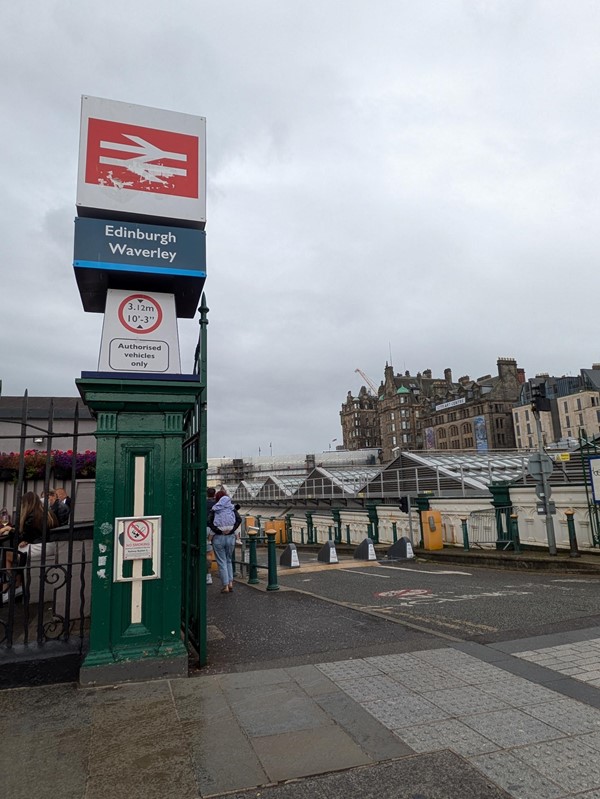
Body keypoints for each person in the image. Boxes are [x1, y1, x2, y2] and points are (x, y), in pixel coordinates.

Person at [0, 491, 58, 601]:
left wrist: (8, 529)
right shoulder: (48, 513)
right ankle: (18, 585)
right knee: (16, 552)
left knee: (8, 555)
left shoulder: (32, 516)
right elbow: (33, 533)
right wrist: (25, 539)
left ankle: (9, 588)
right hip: (51, 546)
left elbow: (21, 534)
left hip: (40, 547)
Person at [208, 491, 241, 593]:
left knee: (221, 562)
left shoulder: (215, 508)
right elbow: (239, 519)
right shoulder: (231, 507)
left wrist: (218, 530)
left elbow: (209, 521)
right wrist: (231, 530)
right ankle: (231, 583)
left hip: (218, 537)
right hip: (231, 536)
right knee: (229, 560)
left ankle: (225, 586)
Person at [206, 487, 217, 585]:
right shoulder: (217, 504)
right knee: (211, 554)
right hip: (216, 529)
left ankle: (206, 574)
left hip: (205, 528)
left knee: (206, 553)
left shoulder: (203, 503)